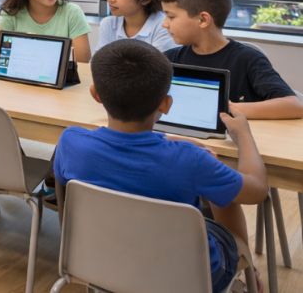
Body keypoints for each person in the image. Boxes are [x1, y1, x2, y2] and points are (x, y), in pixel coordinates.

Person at [53, 39, 266, 292]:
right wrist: (243, 135)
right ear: (166, 104)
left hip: (100, 262)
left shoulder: (71, 141)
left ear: (95, 94)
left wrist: (165, 142)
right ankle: (247, 273)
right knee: (223, 195)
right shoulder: (191, 160)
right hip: (186, 277)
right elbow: (256, 190)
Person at [161, 0, 303, 118]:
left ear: (203, 20)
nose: (164, 24)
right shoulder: (168, 59)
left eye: (171, 16)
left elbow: (294, 106)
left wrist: (222, 108)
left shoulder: (247, 59)